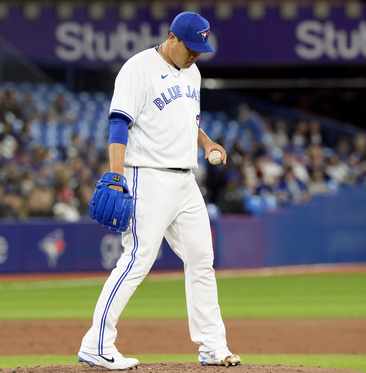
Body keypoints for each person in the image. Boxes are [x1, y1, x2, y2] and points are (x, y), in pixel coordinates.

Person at [77, 12, 240, 371]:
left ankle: (213, 346)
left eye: (201, 48)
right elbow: (119, 123)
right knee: (137, 258)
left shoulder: (193, 73)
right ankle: (97, 344)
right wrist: (116, 175)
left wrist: (208, 141)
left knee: (202, 261)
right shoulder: (138, 69)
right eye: (191, 47)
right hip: (147, 176)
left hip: (185, 180)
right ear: (172, 38)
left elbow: (189, 123)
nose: (196, 54)